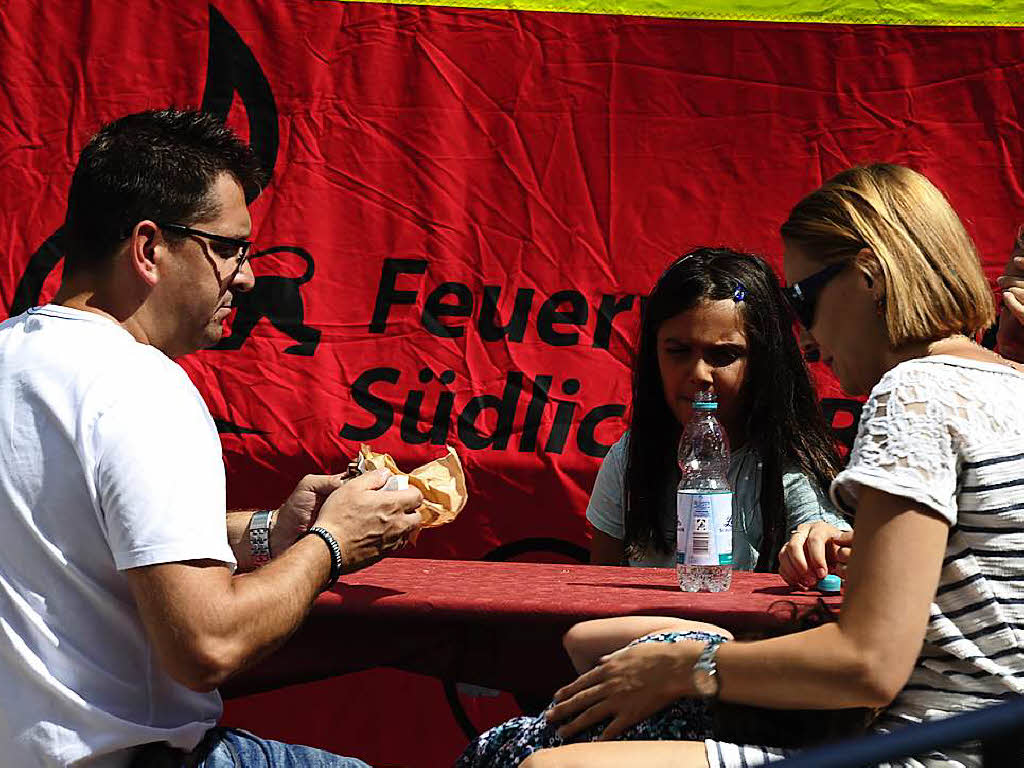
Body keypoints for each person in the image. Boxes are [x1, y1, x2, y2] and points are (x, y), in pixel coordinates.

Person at [518, 163, 1024, 768]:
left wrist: (683, 668)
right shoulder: (1008, 383)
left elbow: (868, 664)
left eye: (802, 300)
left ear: (868, 278)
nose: (804, 339)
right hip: (986, 743)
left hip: (923, 750)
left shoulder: (914, 396)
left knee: (548, 765)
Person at [0, 109, 424, 768]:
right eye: (228, 247)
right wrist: (330, 545)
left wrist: (268, 533)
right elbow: (208, 647)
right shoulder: (141, 386)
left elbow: (75, 532)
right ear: (148, 247)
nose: (247, 276)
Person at [587, 247, 849, 583]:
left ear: (763, 362)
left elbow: (826, 541)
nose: (698, 373)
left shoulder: (790, 464)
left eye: (723, 355)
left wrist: (819, 543)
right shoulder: (630, 458)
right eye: (678, 351)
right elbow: (597, 588)